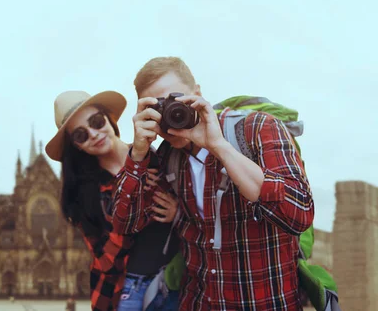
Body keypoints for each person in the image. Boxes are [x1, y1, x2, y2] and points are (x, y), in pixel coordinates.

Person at [113, 56, 314, 310]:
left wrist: (219, 146)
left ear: (197, 93)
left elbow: (299, 214)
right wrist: (138, 154)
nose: (170, 115)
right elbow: (126, 222)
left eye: (175, 101)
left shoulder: (258, 128)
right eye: (158, 107)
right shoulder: (166, 155)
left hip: (266, 302)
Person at [44, 90, 179, 311]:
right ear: (76, 145)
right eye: (80, 135)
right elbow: (106, 261)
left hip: (174, 282)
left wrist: (178, 214)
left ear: (109, 118)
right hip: (124, 292)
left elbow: (201, 213)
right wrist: (132, 195)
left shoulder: (158, 157)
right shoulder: (82, 193)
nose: (94, 134)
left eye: (96, 122)